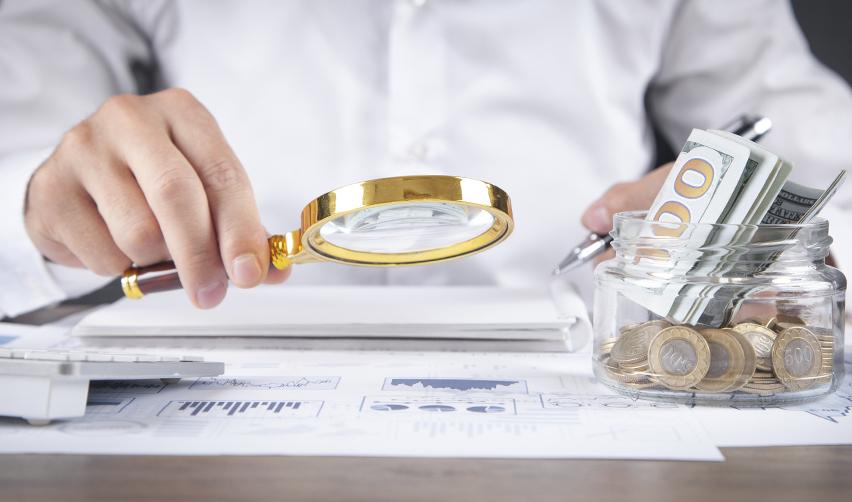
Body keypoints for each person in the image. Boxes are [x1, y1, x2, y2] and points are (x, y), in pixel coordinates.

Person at [1, 0, 850, 318]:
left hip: (584, 357)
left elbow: (817, 148)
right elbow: (19, 151)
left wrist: (781, 226)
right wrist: (42, 203)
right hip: (224, 344)